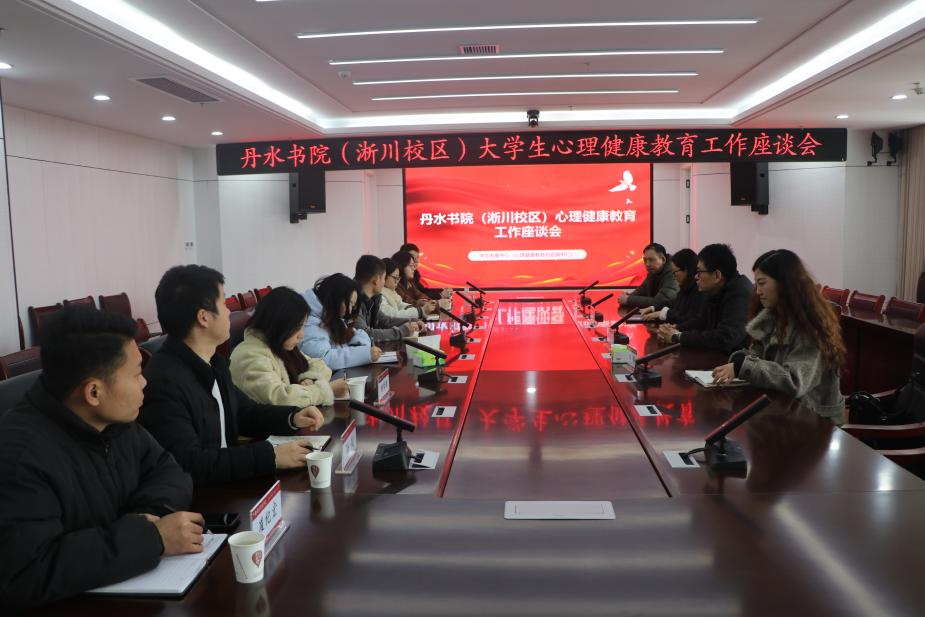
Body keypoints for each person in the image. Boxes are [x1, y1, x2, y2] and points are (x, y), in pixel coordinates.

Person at [0, 307, 201, 611]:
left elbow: (167, 470)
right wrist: (150, 538)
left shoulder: (114, 421)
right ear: (94, 392)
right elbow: (25, 573)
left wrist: (147, 518)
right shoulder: (20, 456)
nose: (145, 383)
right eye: (136, 374)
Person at [140, 265, 324, 487]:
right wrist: (270, 456)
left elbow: (245, 412)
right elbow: (189, 464)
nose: (229, 312)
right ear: (204, 317)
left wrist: (292, 417)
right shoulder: (164, 382)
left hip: (229, 481)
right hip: (204, 499)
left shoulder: (213, 363)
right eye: (223, 304)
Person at [711, 249, 846, 418]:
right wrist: (740, 361)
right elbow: (757, 356)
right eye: (756, 284)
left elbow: (795, 380)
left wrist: (743, 366)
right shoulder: (773, 316)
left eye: (762, 283)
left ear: (784, 284)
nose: (757, 291)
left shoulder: (811, 324)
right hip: (785, 411)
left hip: (814, 419)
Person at [230, 287, 349, 408]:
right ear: (279, 323)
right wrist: (325, 390)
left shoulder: (279, 345)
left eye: (303, 326)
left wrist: (309, 379)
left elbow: (319, 365)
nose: (301, 335)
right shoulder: (249, 356)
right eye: (297, 327)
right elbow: (279, 399)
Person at [657, 243, 753, 352]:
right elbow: (701, 321)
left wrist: (678, 337)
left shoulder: (739, 293)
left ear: (717, 275)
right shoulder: (715, 289)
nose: (696, 276)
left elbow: (725, 338)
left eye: (699, 272)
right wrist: (674, 329)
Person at [301, 273, 382, 369]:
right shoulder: (309, 322)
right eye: (349, 304)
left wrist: (361, 349)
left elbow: (355, 334)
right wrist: (364, 354)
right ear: (335, 298)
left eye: (353, 306)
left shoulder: (331, 315)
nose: (350, 311)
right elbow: (323, 359)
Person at [353, 254, 424, 343]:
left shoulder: (373, 299)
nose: (384, 282)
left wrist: (413, 321)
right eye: (383, 278)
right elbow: (365, 334)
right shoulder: (353, 301)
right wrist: (402, 331)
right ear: (376, 280)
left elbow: (385, 321)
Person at [640, 248, 707, 324]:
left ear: (686, 270)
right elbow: (674, 303)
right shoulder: (686, 287)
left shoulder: (700, 290)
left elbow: (688, 317)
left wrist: (663, 314)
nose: (674, 276)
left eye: (675, 272)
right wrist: (653, 308)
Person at [619, 242, 679, 308]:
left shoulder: (673, 274)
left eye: (651, 260)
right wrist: (628, 297)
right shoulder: (653, 272)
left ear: (663, 260)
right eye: (645, 260)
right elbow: (642, 290)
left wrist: (628, 299)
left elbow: (660, 302)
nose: (647, 264)